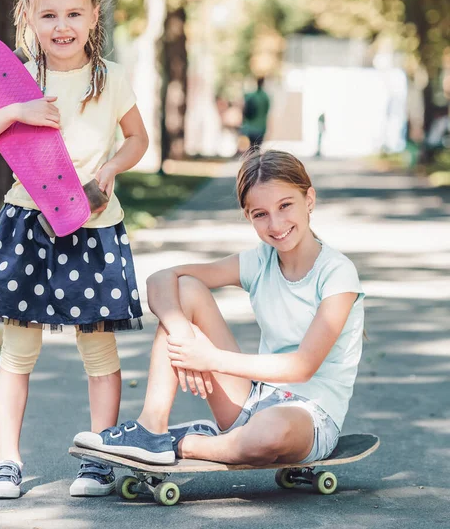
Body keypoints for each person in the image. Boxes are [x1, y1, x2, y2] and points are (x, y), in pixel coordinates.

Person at [0, 0, 149, 498]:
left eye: (72, 14)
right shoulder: (19, 78)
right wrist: (17, 113)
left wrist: (110, 170)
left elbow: (138, 139)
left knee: (99, 348)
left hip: (92, 226)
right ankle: (6, 461)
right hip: (28, 227)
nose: (61, 26)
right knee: (18, 350)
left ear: (93, 16)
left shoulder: (110, 79)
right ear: (27, 18)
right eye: (48, 17)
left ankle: (99, 455)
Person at [74, 149, 364, 469]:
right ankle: (151, 428)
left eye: (285, 206)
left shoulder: (337, 273)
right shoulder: (260, 261)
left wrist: (210, 359)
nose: (276, 223)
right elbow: (161, 279)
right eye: (260, 214)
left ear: (309, 199)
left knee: (269, 434)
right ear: (247, 215)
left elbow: (302, 367)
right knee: (185, 289)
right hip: (252, 400)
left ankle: (184, 443)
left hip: (309, 417)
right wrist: (183, 333)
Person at [240, 77, 270, 151]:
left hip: (249, 127)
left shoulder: (250, 96)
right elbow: (267, 111)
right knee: (257, 148)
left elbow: (243, 108)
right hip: (260, 127)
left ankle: (252, 160)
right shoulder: (265, 97)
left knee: (251, 148)